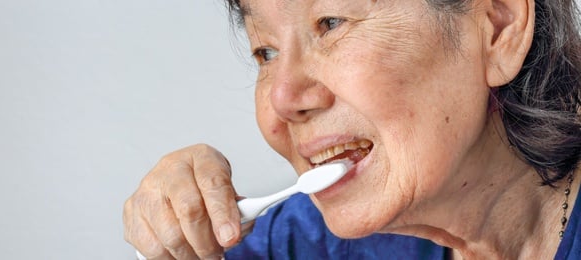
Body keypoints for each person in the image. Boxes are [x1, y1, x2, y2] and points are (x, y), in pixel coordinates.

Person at [123, 0, 581, 259]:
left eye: (331, 24)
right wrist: (182, 232)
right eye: (265, 51)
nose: (283, 99)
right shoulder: (312, 243)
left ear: (498, 29)